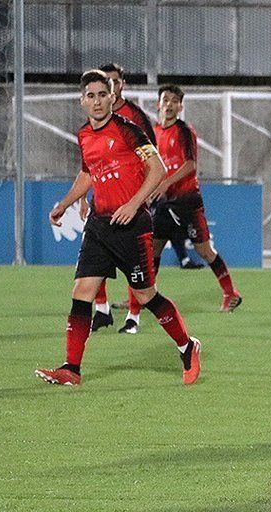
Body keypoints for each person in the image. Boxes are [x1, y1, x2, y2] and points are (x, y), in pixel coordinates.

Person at [35, 69, 202, 386]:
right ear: (82, 101)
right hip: (99, 226)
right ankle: (72, 368)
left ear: (112, 97)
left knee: (146, 294)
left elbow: (157, 168)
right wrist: (66, 202)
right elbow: (88, 174)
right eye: (91, 96)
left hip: (131, 226)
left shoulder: (129, 130)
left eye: (102, 94)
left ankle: (186, 346)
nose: (97, 101)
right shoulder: (84, 135)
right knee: (81, 293)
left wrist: (134, 203)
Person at [148, 84, 242, 312]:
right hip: (162, 203)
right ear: (158, 104)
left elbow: (191, 165)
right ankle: (144, 297)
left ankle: (231, 293)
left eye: (174, 101)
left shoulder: (184, 131)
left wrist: (166, 183)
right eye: (165, 100)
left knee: (204, 251)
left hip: (186, 201)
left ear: (180, 106)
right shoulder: (153, 132)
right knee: (153, 251)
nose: (169, 104)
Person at [86, 63, 158, 334]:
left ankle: (133, 316)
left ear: (121, 85)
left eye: (113, 83)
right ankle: (102, 310)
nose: (108, 91)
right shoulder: (94, 123)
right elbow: (90, 164)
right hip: (102, 200)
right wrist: (81, 198)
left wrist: (141, 198)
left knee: (134, 265)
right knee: (92, 258)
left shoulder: (134, 118)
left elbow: (154, 160)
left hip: (132, 200)